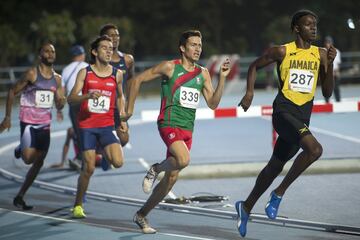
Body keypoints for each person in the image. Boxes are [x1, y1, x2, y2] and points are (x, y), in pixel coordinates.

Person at [235, 10, 337, 237]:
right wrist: (250, 93)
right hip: (283, 111)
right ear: (297, 28)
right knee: (315, 150)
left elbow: (328, 93)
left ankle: (246, 206)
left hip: (302, 116)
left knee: (274, 167)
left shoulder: (320, 54)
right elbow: (253, 66)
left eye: (315, 24)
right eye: (308, 24)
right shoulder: (282, 51)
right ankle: (278, 193)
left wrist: (329, 64)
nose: (314, 28)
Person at [124, 30, 230, 234]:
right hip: (168, 123)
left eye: (200, 45)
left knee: (171, 180)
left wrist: (222, 78)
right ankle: (155, 168)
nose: (198, 49)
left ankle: (141, 214)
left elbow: (213, 104)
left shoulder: (203, 73)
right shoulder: (170, 67)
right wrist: (129, 109)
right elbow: (135, 81)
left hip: (188, 130)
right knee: (183, 159)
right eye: (193, 45)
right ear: (182, 47)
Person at [0, 42, 66, 210]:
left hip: (45, 125)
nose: (51, 53)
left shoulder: (57, 79)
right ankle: (21, 147)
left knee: (39, 162)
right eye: (47, 51)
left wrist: (61, 103)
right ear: (40, 55)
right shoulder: (31, 73)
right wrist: (7, 117)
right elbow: (12, 92)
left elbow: (59, 105)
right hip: (28, 122)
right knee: (28, 159)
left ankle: (20, 196)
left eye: (53, 51)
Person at [67, 35, 126, 218]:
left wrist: (122, 118)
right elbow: (71, 98)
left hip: (107, 126)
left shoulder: (117, 74)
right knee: (89, 169)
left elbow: (120, 96)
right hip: (87, 127)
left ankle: (104, 153)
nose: (109, 51)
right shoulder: (85, 73)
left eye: (111, 48)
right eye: (104, 48)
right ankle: (77, 205)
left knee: (118, 161)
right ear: (94, 51)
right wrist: (86, 96)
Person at [99, 23, 134, 148]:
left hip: (118, 105)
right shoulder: (97, 60)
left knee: (124, 138)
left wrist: (129, 100)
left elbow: (130, 80)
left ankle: (105, 154)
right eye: (111, 35)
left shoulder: (127, 59)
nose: (115, 38)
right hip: (101, 105)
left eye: (117, 35)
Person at [61, 45, 88, 169]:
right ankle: (86, 158)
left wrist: (59, 109)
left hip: (73, 102)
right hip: (86, 100)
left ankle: (81, 158)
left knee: (78, 131)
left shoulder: (66, 69)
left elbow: (62, 91)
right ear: (81, 54)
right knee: (90, 129)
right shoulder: (87, 67)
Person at [324, 36, 341, 102]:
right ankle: (327, 102)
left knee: (336, 88)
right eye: (327, 42)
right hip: (327, 73)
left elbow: (338, 64)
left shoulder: (337, 51)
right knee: (327, 89)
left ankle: (338, 101)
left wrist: (337, 72)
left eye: (329, 42)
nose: (328, 44)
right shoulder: (323, 51)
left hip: (335, 72)